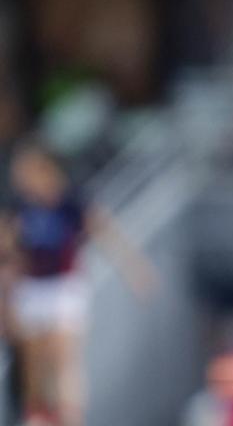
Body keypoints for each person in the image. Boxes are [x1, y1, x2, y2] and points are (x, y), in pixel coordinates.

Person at [2, 137, 154, 426]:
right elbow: (7, 250)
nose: (20, 180)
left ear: (45, 170)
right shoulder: (19, 208)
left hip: (63, 285)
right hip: (32, 289)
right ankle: (38, 414)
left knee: (63, 355)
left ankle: (70, 415)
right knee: (34, 362)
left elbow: (106, 234)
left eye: (25, 172)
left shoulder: (72, 201)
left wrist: (135, 270)